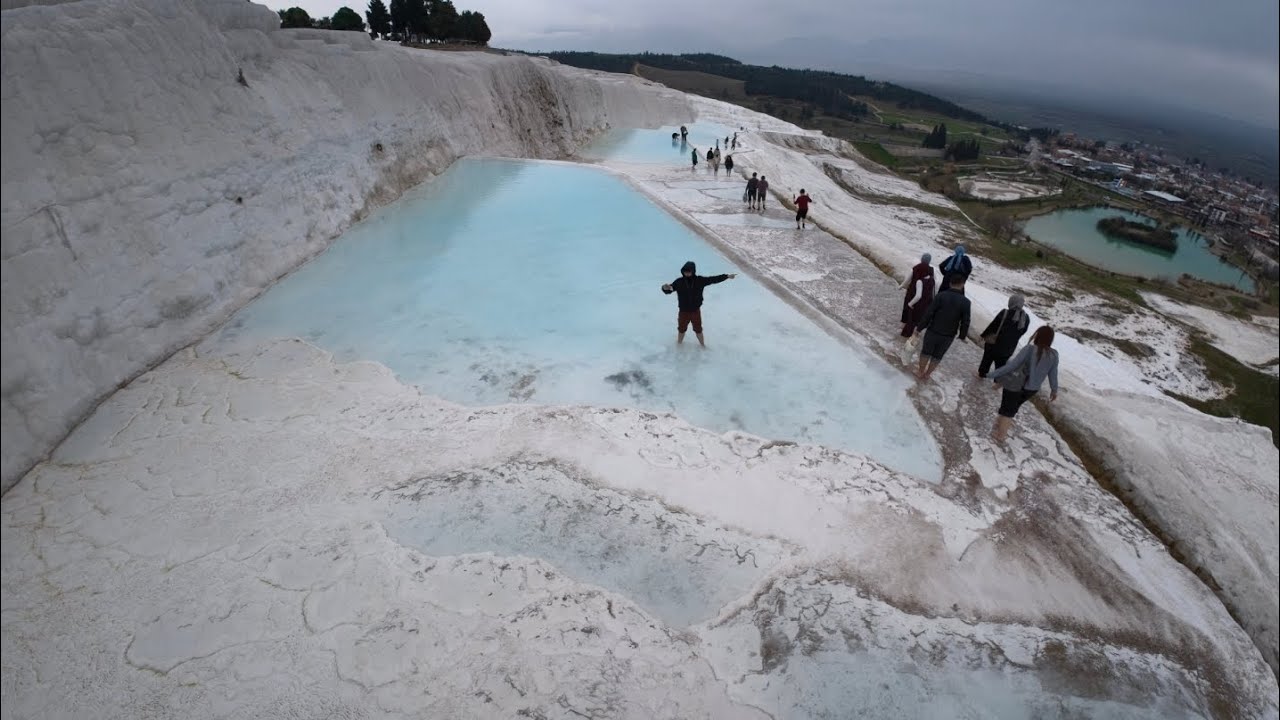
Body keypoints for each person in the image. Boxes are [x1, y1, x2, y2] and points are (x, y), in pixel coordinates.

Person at [987, 325, 1059, 444]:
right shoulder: (1054, 354)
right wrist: (1054, 390)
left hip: (1016, 385)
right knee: (1011, 407)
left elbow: (1012, 366)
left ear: (1038, 335)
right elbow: (1053, 373)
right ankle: (999, 423)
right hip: (1032, 389)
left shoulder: (1029, 349)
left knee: (1007, 411)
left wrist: (992, 374)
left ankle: (1000, 435)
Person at [661, 261, 737, 347]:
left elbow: (713, 279)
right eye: (685, 271)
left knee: (698, 329)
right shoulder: (679, 282)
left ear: (693, 271)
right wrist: (664, 288)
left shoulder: (700, 280)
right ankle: (679, 344)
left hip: (695, 311)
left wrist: (726, 276)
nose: (687, 273)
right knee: (681, 329)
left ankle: (702, 345)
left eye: (689, 271)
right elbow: (670, 289)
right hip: (683, 311)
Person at [914, 276, 971, 381]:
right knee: (937, 356)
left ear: (950, 283)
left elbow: (929, 313)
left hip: (933, 330)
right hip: (949, 335)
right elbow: (965, 321)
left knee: (926, 352)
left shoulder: (941, 296)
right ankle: (927, 374)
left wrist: (919, 328)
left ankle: (920, 371)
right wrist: (962, 336)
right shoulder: (966, 302)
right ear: (963, 284)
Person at [977, 294, 1030, 378]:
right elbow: (1022, 332)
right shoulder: (1026, 318)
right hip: (1008, 349)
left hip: (993, 344)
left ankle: (979, 379)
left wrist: (983, 335)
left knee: (985, 363)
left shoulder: (1005, 312)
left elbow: (993, 326)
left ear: (1011, 302)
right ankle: (996, 384)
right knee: (1001, 368)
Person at [899, 254, 935, 338]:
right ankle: (916, 330)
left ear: (921, 259)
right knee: (919, 314)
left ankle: (904, 326)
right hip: (925, 297)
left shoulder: (916, 268)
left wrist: (901, 286)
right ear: (929, 260)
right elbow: (933, 283)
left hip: (912, 292)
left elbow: (907, 280)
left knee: (908, 310)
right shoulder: (931, 270)